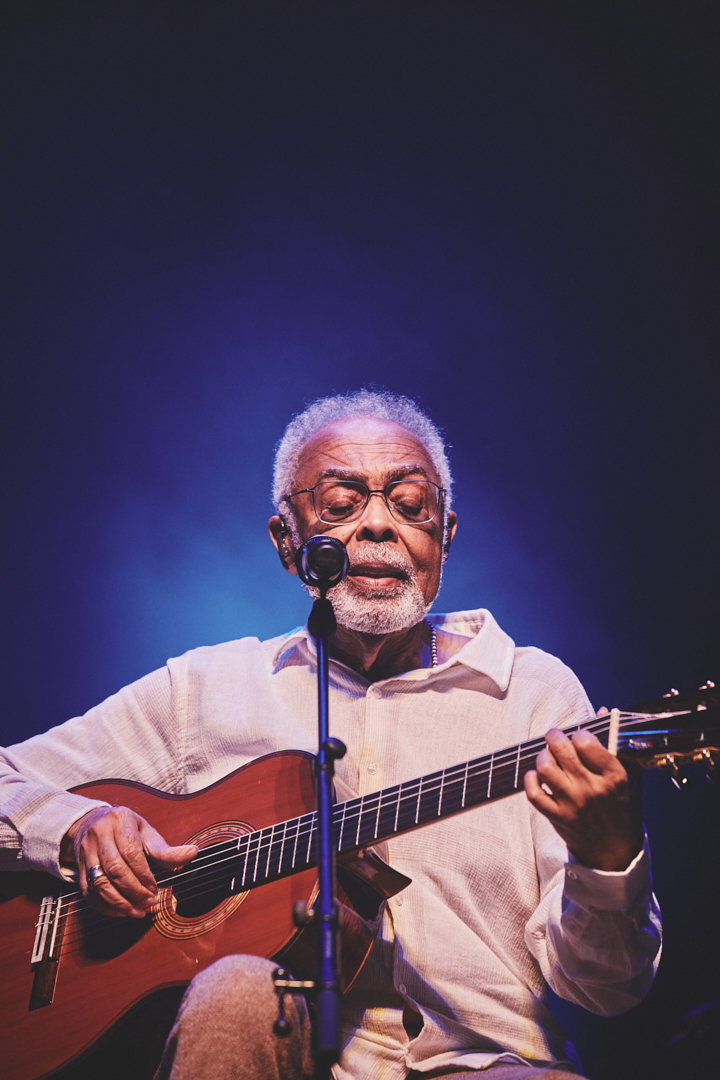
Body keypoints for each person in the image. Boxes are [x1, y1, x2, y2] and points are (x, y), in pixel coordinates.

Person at [0, 390, 661, 1080]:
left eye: (410, 505)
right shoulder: (209, 687)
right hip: (273, 1053)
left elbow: (608, 991)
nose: (379, 526)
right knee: (235, 993)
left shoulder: (535, 696)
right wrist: (78, 827)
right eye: (343, 505)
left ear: (446, 536)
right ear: (287, 541)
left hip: (488, 1064)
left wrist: (607, 858)